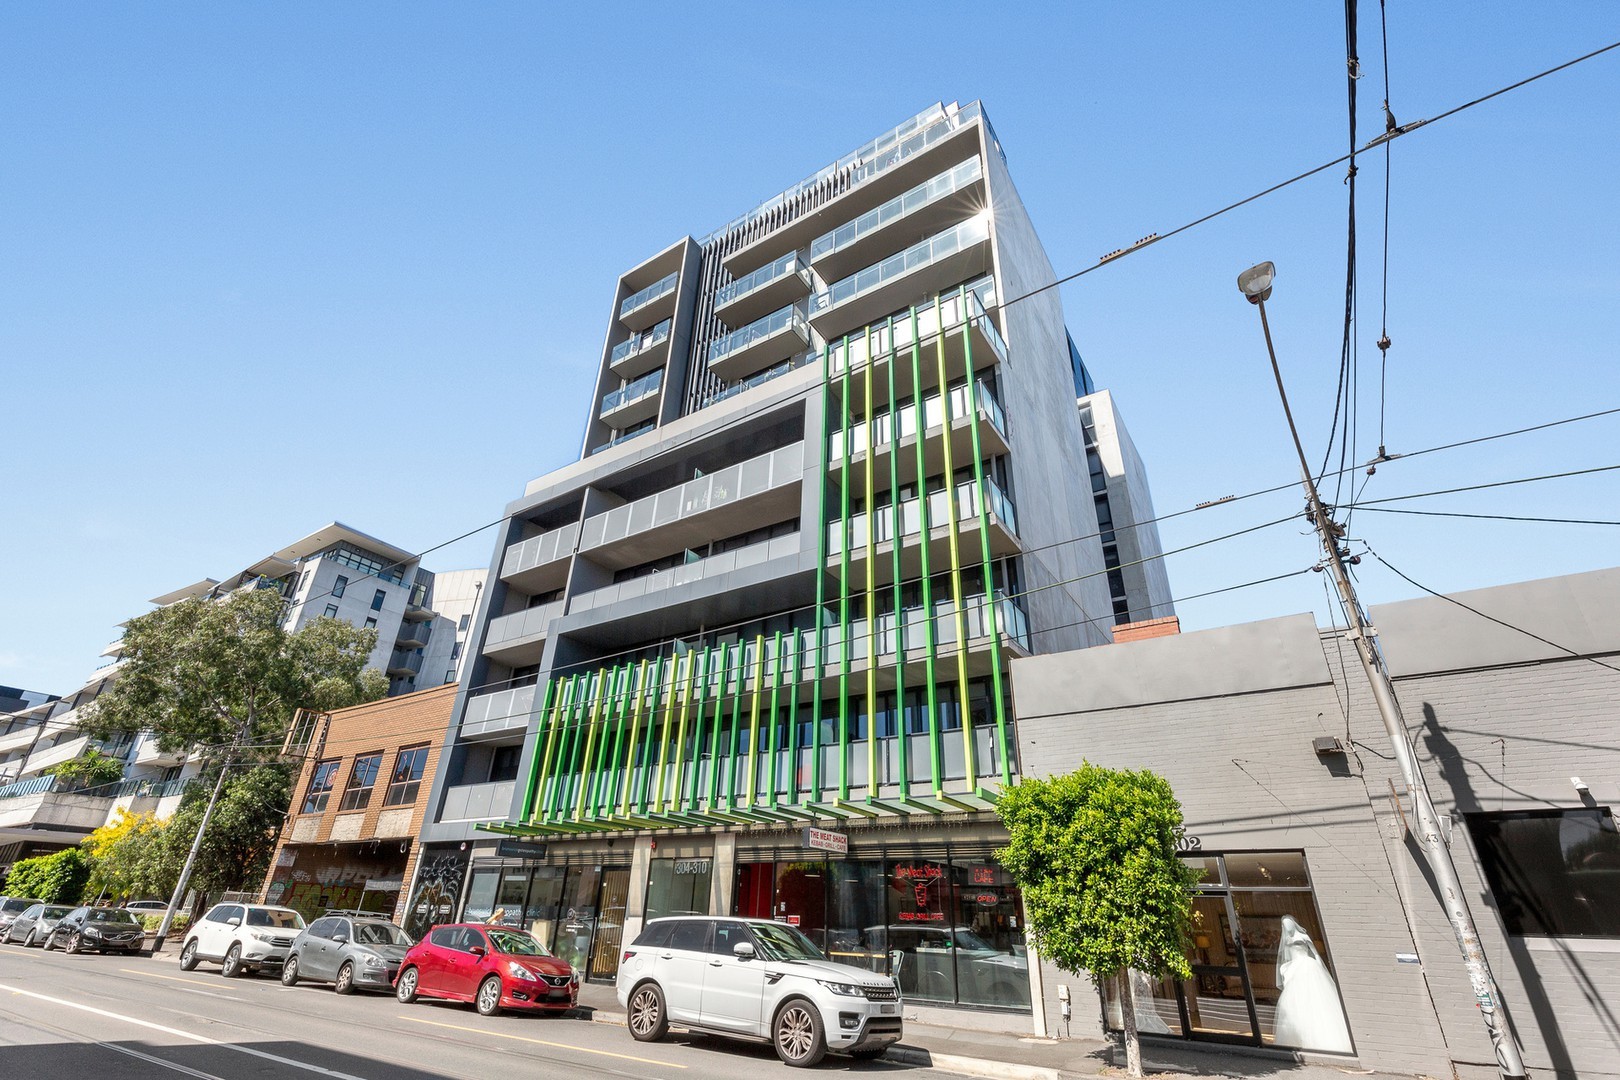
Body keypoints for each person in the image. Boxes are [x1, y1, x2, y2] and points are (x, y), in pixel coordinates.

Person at [1272, 915, 1352, 1053]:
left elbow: (1315, 953)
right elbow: (1285, 958)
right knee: (1296, 1002)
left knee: (1315, 998)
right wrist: (1285, 970)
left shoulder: (1303, 936)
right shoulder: (1286, 940)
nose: (1287, 927)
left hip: (1308, 966)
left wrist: (1320, 969)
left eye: (1288, 924)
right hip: (1295, 968)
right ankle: (1297, 1039)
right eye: (1284, 925)